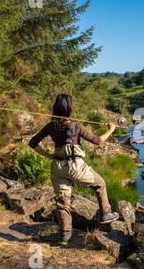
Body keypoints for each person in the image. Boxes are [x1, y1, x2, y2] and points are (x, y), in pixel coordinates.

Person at [29, 94, 119, 246]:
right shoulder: (76, 126)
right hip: (75, 166)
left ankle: (64, 235)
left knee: (62, 202)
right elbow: (97, 141)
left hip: (57, 168)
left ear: (55, 108)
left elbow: (33, 142)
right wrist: (111, 130)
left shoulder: (50, 126)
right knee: (100, 183)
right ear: (70, 109)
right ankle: (105, 213)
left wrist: (49, 156)